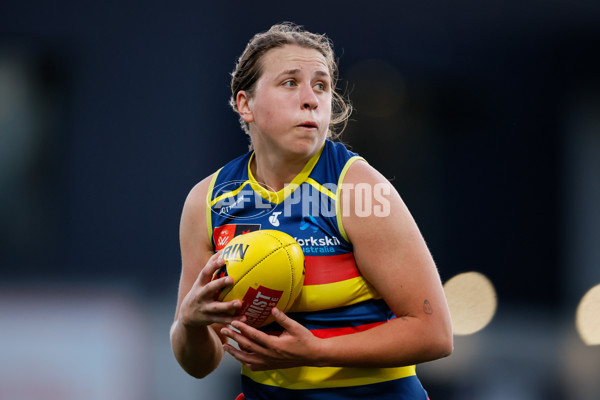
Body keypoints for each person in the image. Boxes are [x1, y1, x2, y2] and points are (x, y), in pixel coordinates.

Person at [170, 22, 453, 399]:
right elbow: (199, 365)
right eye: (290, 82)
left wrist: (318, 352)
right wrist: (189, 324)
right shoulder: (207, 201)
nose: (311, 98)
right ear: (245, 104)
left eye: (321, 85)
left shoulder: (357, 188)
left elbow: (434, 333)